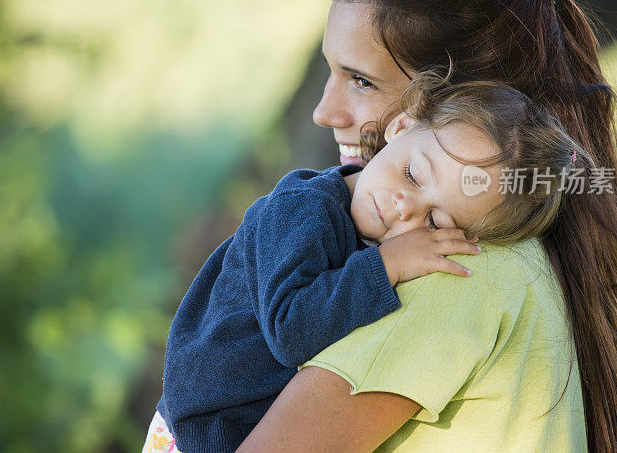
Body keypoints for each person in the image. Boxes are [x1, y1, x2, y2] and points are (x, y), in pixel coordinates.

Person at [236, 0, 617, 453]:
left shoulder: (449, 269)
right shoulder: (507, 249)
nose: (324, 112)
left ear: (446, 102)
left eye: (361, 80)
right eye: (331, 71)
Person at [145, 66, 590, 453]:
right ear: (399, 128)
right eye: (413, 174)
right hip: (202, 433)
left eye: (435, 220)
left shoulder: (370, 229)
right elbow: (291, 331)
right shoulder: (301, 210)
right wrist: (386, 266)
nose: (403, 208)